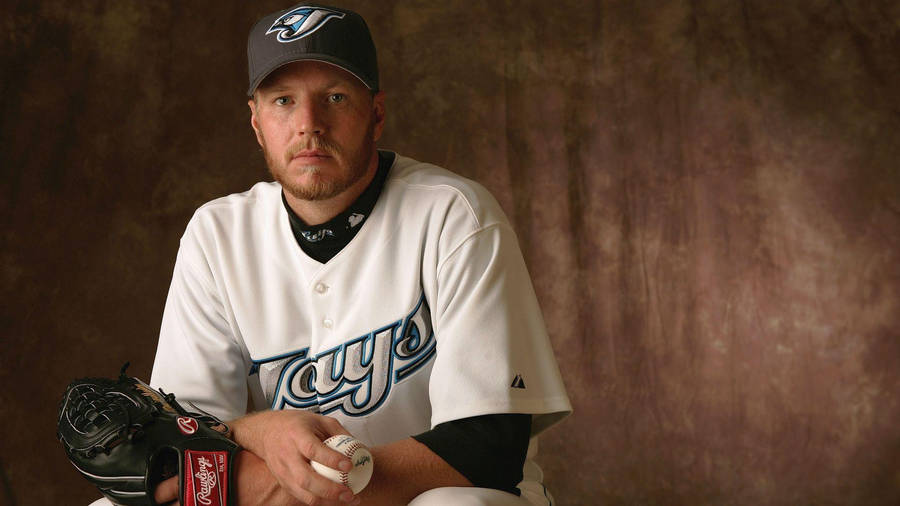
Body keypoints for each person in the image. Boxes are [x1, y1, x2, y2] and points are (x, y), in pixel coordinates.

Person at [116, 4, 571, 506]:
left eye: (334, 97)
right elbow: (180, 439)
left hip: (439, 494)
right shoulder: (216, 233)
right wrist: (264, 430)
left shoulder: (453, 214)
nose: (309, 124)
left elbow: (490, 448)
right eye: (284, 101)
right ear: (256, 122)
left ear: (376, 115)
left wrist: (311, 482)